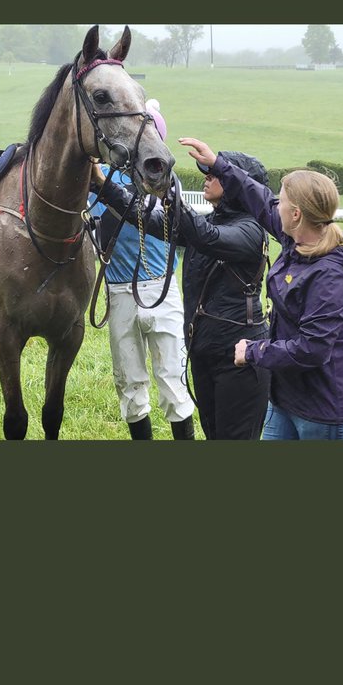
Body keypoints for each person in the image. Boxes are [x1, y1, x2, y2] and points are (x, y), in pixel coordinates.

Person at [178, 139, 343, 441]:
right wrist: (218, 164)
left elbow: (313, 349)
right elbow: (258, 198)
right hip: (286, 400)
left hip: (327, 411)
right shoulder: (296, 237)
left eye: (281, 201)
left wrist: (254, 350)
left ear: (296, 214)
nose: (274, 205)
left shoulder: (330, 275)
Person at [92, 137, 271, 441]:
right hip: (206, 353)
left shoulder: (250, 230)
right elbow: (147, 217)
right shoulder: (215, 220)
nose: (207, 178)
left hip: (239, 360)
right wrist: (101, 184)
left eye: (214, 174)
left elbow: (207, 238)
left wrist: (166, 190)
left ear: (240, 185)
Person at [89, 100, 194, 441]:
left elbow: (147, 215)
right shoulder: (105, 177)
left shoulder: (165, 181)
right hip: (120, 292)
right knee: (129, 382)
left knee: (172, 379)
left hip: (161, 290)